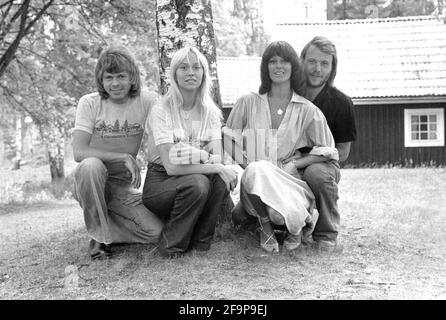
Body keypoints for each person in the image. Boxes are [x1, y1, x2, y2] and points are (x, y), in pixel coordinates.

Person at [223, 41, 338, 253]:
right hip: (255, 181)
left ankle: (297, 225)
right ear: (265, 67)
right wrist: (247, 165)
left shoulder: (307, 110)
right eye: (272, 61)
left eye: (284, 61)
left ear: (293, 66)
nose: (278, 66)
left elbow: (329, 151)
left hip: (288, 180)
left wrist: (297, 162)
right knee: (257, 171)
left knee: (280, 215)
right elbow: (227, 137)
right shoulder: (248, 101)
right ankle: (266, 227)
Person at [142, 46, 238, 258]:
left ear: (204, 73)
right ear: (174, 74)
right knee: (199, 181)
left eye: (196, 67)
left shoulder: (210, 112)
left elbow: (217, 156)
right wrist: (205, 157)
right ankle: (171, 246)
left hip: (194, 175)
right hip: (160, 181)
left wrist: (213, 163)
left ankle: (201, 242)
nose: (191, 72)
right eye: (183, 67)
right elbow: (171, 165)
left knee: (220, 179)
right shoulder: (161, 110)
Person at [72, 45, 163, 259]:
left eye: (121, 76)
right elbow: (79, 151)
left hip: (122, 187)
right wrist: (123, 157)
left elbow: (160, 140)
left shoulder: (147, 101)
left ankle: (105, 224)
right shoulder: (89, 103)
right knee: (91, 165)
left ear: (132, 77)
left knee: (156, 232)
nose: (115, 83)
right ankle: (99, 237)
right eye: (109, 77)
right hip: (90, 181)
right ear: (101, 80)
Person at [300, 36, 357, 251]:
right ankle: (289, 227)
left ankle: (326, 233)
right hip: (286, 161)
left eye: (325, 63)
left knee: (316, 173)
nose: (317, 69)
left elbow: (342, 152)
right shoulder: (287, 96)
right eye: (312, 61)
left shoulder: (342, 103)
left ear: (332, 68)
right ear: (302, 61)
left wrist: (305, 162)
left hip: (324, 165)